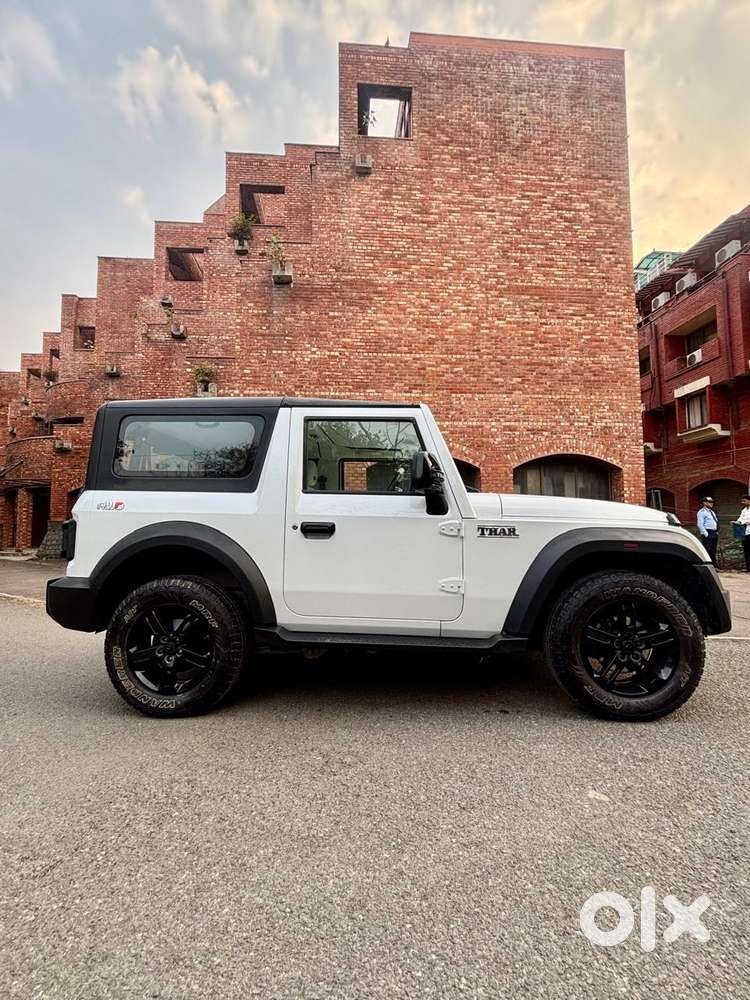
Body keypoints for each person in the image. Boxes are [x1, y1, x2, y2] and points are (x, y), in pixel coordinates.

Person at [697, 496, 719, 564]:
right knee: (707, 550)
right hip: (708, 532)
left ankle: (714, 564)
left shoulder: (712, 512)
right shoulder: (701, 512)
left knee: (713, 550)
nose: (712, 503)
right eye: (710, 502)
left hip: (714, 532)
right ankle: (707, 564)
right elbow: (700, 524)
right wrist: (706, 534)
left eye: (712, 502)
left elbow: (715, 521)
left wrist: (716, 531)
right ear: (704, 503)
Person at [734, 494, 750, 573]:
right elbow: (740, 519)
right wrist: (736, 522)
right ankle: (748, 567)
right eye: (742, 501)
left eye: (744, 501)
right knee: (746, 550)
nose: (743, 502)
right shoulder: (744, 510)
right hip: (744, 532)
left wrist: (748, 522)